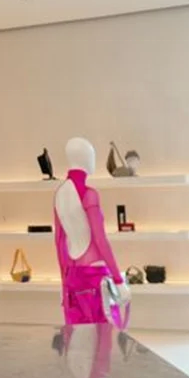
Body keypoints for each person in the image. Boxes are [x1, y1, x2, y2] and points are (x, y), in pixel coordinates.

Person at [53, 137, 130, 325]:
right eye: (92, 154)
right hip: (94, 275)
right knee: (103, 335)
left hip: (72, 276)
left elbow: (59, 241)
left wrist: (64, 285)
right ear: (86, 157)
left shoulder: (60, 193)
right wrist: (118, 280)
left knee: (78, 336)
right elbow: (100, 240)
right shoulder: (89, 194)